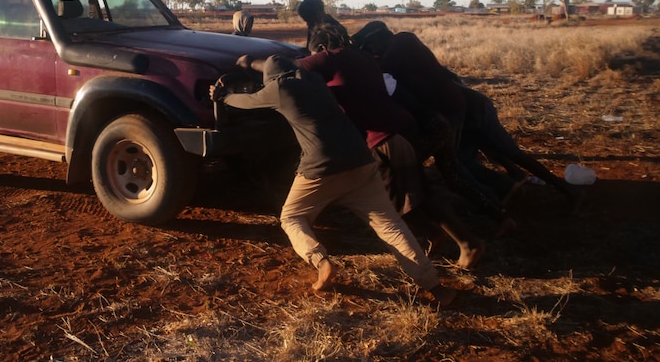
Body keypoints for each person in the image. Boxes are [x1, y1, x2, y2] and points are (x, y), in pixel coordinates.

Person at [212, 55, 458, 305]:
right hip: (360, 161)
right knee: (391, 227)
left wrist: (222, 95)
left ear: (271, 78)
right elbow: (280, 69)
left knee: (292, 217)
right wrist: (250, 63)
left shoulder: (279, 89)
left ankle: (321, 261)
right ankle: (436, 288)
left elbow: (246, 101)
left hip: (321, 168)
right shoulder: (314, 80)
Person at [297, 25, 485, 269]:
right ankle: (446, 238)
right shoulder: (362, 57)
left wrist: (249, 64)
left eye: (314, 51)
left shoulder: (328, 58)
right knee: (419, 189)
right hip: (401, 129)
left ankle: (462, 242)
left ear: (321, 48)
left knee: (391, 200)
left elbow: (293, 66)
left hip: (382, 138)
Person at [352, 21, 516, 237]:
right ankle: (500, 215)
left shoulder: (389, 64)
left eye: (371, 47)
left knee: (410, 177)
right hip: (439, 122)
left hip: (433, 126)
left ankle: (448, 235)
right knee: (452, 175)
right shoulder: (397, 55)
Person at [460, 85, 583, 212]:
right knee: (486, 147)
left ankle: (570, 191)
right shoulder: (440, 74)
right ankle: (513, 175)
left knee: (462, 159)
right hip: (471, 109)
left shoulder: (440, 81)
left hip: (474, 111)